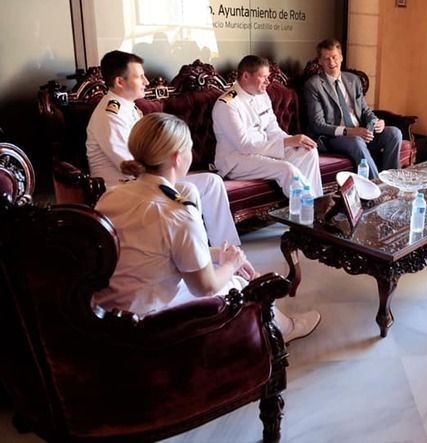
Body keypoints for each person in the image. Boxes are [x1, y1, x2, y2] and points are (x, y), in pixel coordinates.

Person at [92, 113, 321, 343]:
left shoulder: (111, 196)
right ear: (177, 157)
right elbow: (206, 288)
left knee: (225, 268)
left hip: (108, 307)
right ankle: (284, 330)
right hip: (144, 319)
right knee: (238, 284)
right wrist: (231, 265)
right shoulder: (177, 212)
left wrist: (220, 254)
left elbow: (155, 250)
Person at [86, 50, 240, 247]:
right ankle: (206, 252)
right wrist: (168, 168)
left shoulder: (126, 107)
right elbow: (128, 165)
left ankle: (224, 249)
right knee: (198, 187)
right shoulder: (110, 114)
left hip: (146, 179)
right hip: (124, 187)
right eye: (139, 76)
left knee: (211, 182)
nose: (146, 82)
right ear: (120, 82)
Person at [212, 55, 323, 197]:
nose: (267, 81)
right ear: (246, 76)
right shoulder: (227, 104)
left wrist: (292, 141)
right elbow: (244, 146)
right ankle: (308, 206)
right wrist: (287, 142)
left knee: (308, 152)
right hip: (236, 160)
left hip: (263, 150)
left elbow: (273, 129)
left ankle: (315, 201)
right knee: (286, 169)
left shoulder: (262, 95)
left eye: (268, 77)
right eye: (263, 77)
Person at [304, 38, 402, 179]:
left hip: (361, 132)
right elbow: (317, 124)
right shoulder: (314, 85)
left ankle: (392, 182)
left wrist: (375, 121)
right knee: (356, 140)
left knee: (394, 133)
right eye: (326, 59)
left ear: (341, 57)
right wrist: (350, 132)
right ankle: (377, 186)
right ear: (320, 61)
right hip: (334, 138)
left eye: (334, 57)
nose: (331, 62)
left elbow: (365, 110)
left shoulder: (353, 80)